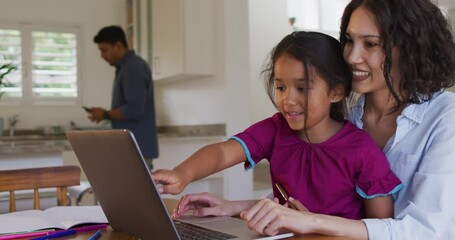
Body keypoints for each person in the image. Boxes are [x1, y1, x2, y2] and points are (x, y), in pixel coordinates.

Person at [184, 0, 455, 239]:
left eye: (370, 44)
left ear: (408, 49)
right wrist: (234, 207)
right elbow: (319, 194)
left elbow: (427, 232)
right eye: (349, 40)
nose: (350, 56)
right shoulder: (343, 113)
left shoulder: (446, 118)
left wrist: (315, 221)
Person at [152, 31, 403, 221]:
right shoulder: (275, 130)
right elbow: (222, 152)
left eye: (302, 88)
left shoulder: (362, 151)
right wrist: (182, 174)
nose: (288, 99)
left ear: (336, 92)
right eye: (281, 87)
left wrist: (313, 224)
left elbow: (378, 228)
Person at [87, 25, 159, 169]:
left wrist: (105, 114)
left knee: (136, 191)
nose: (102, 55)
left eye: (104, 50)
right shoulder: (127, 68)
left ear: (118, 46)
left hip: (136, 149)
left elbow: (134, 109)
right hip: (133, 149)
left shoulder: (133, 68)